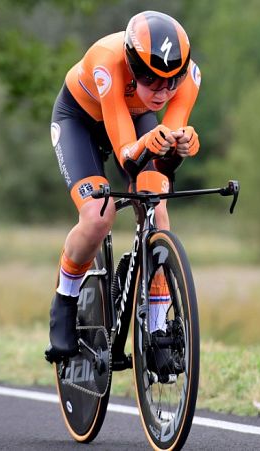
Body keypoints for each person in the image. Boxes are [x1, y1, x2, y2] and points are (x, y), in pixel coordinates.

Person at [44, 11, 201, 375]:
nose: (162, 92)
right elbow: (127, 154)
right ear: (132, 66)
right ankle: (65, 297)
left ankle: (158, 327)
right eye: (151, 80)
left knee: (158, 211)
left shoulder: (188, 79)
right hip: (80, 122)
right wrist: (150, 145)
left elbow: (161, 164)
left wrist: (178, 145)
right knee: (99, 214)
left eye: (171, 82)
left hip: (136, 121)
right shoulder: (106, 61)